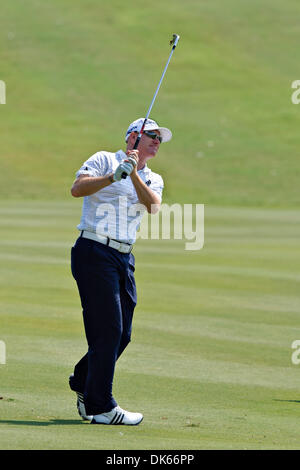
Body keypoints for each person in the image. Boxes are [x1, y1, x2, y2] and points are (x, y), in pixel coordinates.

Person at [69, 117, 172, 425]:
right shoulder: (103, 159)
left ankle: (84, 382)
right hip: (94, 250)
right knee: (109, 330)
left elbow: (153, 207)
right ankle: (101, 406)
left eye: (160, 138)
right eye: (152, 135)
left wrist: (134, 175)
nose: (157, 141)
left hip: (124, 258)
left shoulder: (154, 177)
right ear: (132, 137)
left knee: (122, 334)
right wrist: (114, 176)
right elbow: (77, 189)